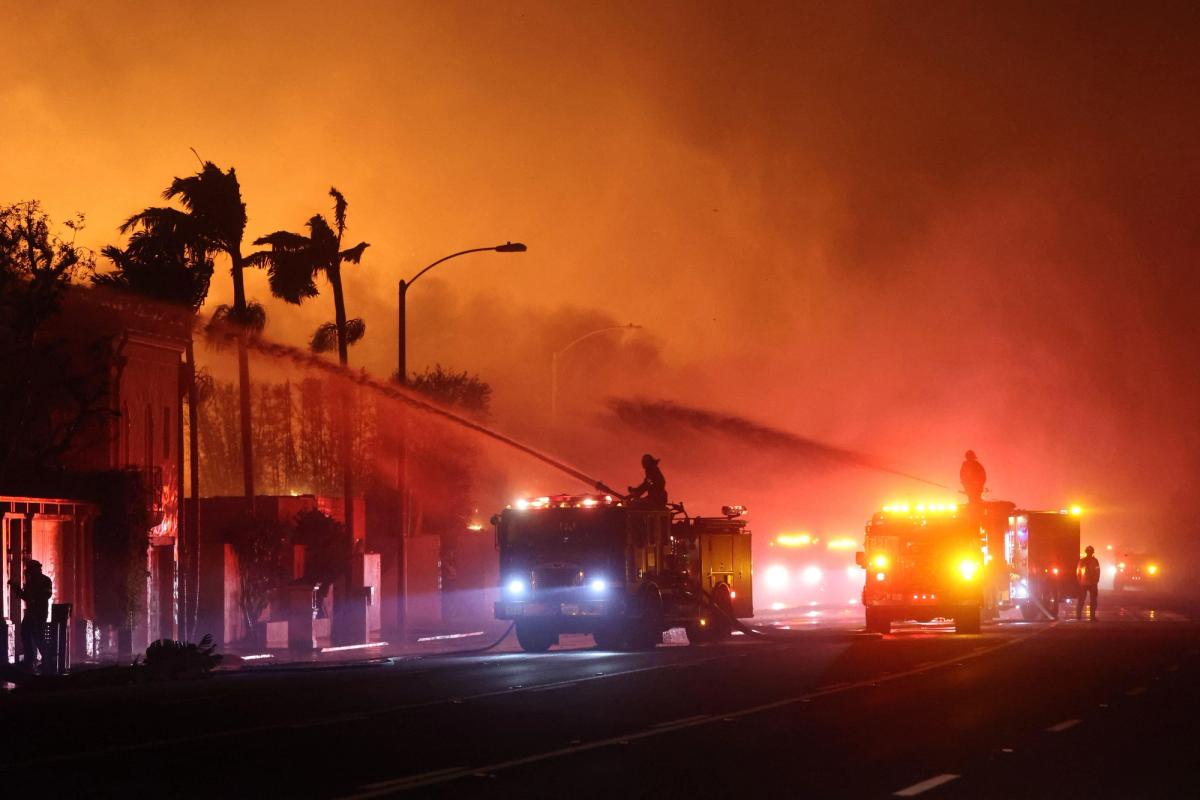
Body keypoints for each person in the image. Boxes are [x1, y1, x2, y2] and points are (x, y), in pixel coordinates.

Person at [10, 559, 52, 670]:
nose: (29, 572)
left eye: (31, 570)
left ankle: (46, 660)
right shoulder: (31, 581)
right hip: (31, 613)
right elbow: (27, 597)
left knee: (38, 636)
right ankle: (30, 660)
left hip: (39, 613)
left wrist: (33, 597)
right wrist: (17, 589)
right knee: (26, 635)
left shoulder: (45, 580)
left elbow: (46, 595)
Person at [1076, 545, 1101, 621]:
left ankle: (1079, 616)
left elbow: (1078, 572)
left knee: (1082, 600)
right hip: (1091, 583)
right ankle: (1091, 616)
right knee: (1092, 600)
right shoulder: (1095, 561)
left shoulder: (1082, 561)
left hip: (1085, 583)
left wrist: (1079, 581)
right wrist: (1096, 580)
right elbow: (1098, 572)